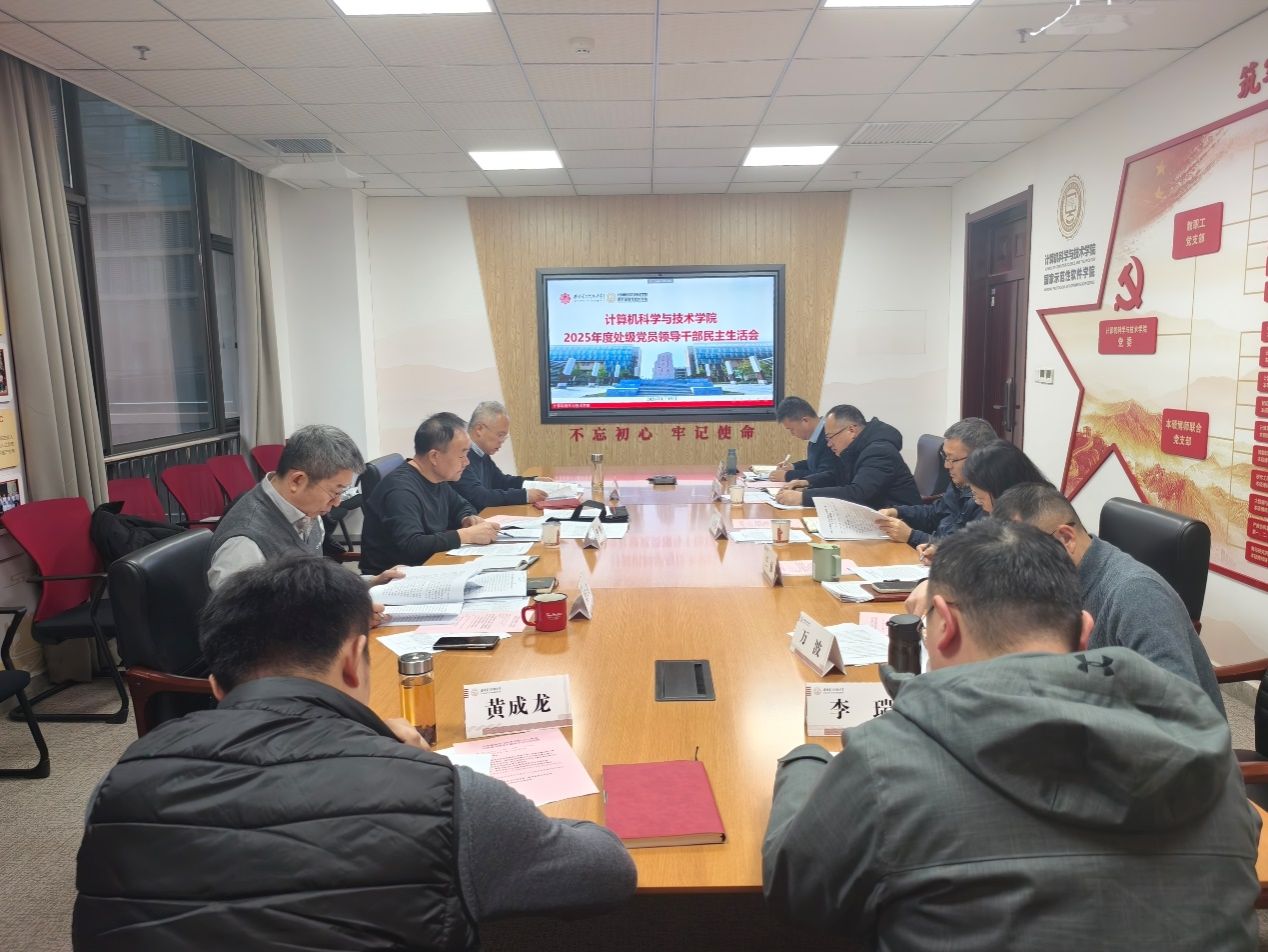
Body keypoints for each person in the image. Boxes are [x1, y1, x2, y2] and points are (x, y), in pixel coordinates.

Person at [73, 557, 637, 950]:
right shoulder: (442, 795)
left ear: (218, 686)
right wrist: (430, 770)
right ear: (354, 659)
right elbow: (606, 873)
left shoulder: (121, 782)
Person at [762, 519, 1259, 950]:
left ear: (944, 626)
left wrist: (805, 760)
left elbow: (796, 886)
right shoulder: (1203, 746)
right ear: (1085, 631)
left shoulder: (887, 761)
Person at [993, 481, 1226, 715]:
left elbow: (1178, 710)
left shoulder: (1136, 593)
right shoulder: (1057, 581)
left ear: (1065, 538)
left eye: (1023, 558)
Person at [207, 425, 402, 625]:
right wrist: (343, 619)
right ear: (297, 480)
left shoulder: (306, 510)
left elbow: (313, 586)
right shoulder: (244, 542)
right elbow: (242, 625)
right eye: (335, 492)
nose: (337, 503)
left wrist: (368, 583)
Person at [360, 413, 500, 574]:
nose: (466, 462)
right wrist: (465, 535)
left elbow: (461, 505)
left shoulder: (436, 478)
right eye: (462, 455)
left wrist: (467, 518)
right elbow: (412, 545)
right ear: (434, 456)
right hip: (394, 579)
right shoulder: (400, 491)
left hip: (428, 565)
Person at [874, 417, 996, 555]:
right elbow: (935, 513)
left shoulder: (988, 499)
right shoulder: (959, 484)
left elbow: (965, 550)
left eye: (952, 459)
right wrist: (898, 511)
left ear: (978, 457)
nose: (946, 465)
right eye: (945, 457)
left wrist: (911, 536)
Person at [774, 404, 921, 509]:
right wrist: (807, 482)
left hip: (900, 525)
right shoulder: (856, 448)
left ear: (851, 430)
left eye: (830, 437)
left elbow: (858, 493)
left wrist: (803, 497)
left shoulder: (879, 452)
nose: (829, 444)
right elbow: (836, 476)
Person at [454, 400, 548, 509]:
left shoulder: (481, 454)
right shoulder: (461, 457)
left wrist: (534, 482)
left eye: (504, 436)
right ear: (479, 429)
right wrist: (525, 496)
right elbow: (480, 497)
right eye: (500, 435)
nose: (502, 441)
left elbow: (501, 481)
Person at [960, 438, 1049, 514]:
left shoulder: (1041, 516)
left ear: (1002, 491)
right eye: (974, 495)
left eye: (981, 499)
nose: (978, 503)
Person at [768, 396, 833, 483]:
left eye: (792, 429)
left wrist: (787, 476)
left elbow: (824, 475)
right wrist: (793, 466)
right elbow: (814, 463)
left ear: (805, 421)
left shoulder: (829, 436)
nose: (792, 434)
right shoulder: (817, 433)